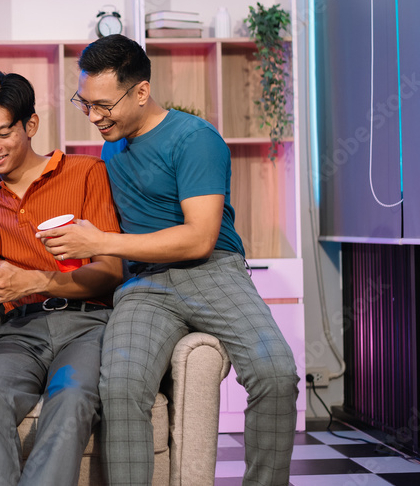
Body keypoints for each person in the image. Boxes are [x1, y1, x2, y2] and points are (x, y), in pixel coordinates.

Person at [45, 34, 299, 486]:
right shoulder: (113, 144)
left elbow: (198, 239)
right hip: (145, 286)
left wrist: (99, 242)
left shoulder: (196, 139)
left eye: (104, 105)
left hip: (212, 271)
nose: (94, 117)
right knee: (120, 386)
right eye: (85, 104)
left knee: (275, 373)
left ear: (141, 91)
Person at [0, 72, 123, 486]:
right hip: (18, 331)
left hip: (86, 324)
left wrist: (34, 281)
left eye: (3, 132)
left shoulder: (86, 172)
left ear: (30, 126)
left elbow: (110, 270)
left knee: (72, 395)